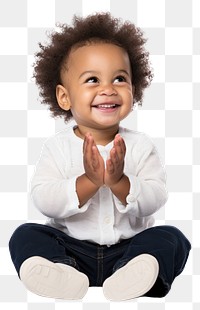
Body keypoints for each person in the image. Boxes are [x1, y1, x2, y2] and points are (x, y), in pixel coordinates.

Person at [9, 13, 191, 301]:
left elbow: (155, 198)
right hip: (72, 248)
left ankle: (135, 276)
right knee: (25, 235)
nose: (108, 88)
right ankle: (61, 272)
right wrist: (88, 182)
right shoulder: (57, 147)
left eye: (120, 78)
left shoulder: (141, 145)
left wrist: (119, 182)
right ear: (64, 97)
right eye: (92, 79)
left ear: (135, 87)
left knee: (172, 238)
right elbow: (45, 200)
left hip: (129, 249)